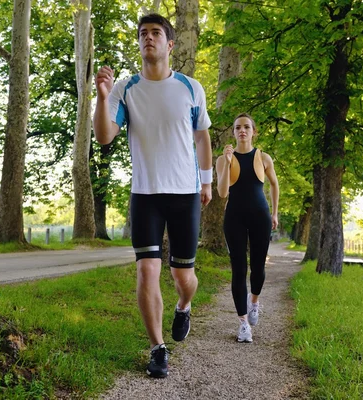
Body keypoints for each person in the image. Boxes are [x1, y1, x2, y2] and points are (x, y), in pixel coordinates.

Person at [93, 13, 212, 378]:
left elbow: (203, 137)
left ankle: (184, 305)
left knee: (182, 276)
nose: (149, 38)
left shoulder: (191, 88)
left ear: (170, 44)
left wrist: (206, 182)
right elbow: (104, 136)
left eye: (156, 33)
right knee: (147, 270)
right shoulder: (125, 88)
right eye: (143, 33)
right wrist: (100, 97)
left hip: (185, 194)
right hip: (145, 193)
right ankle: (158, 348)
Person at [216, 113, 279, 343]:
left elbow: (274, 184)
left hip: (260, 217)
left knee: (258, 267)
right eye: (237, 127)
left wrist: (274, 212)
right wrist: (227, 161)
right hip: (234, 218)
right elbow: (222, 192)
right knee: (238, 269)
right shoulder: (223, 159)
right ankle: (243, 324)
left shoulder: (264, 158)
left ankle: (254, 302)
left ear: (253, 132)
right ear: (233, 132)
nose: (242, 130)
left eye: (246, 127)